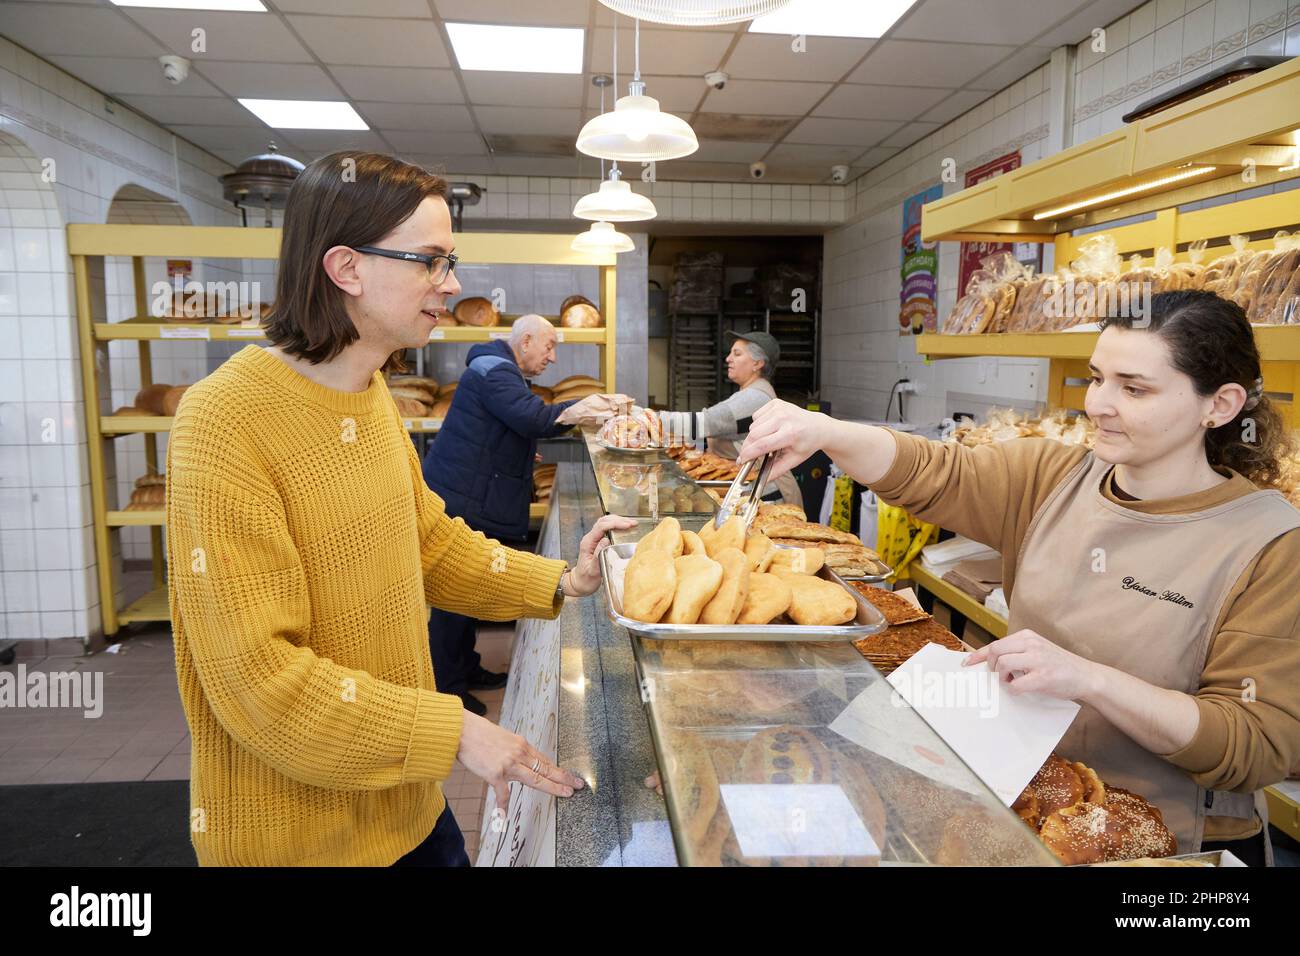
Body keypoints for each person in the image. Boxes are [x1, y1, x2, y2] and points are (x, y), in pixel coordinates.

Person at [166, 151, 634, 866]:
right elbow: (258, 683)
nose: (453, 285)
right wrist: (454, 731)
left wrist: (558, 582)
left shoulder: (369, 393)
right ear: (347, 268)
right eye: (432, 261)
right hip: (300, 841)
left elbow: (430, 546)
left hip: (406, 803)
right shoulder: (225, 421)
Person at [739, 290, 1300, 864]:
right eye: (1097, 378)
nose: (1100, 404)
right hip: (1029, 810)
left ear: (1221, 404)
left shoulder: (1268, 543)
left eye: (1134, 389)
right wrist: (825, 431)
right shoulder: (1053, 476)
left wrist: (1091, 680)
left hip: (1168, 849)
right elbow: (935, 472)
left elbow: (1255, 744)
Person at [422, 313, 627, 714]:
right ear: (527, 340)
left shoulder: (498, 369)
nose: (552, 358)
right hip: (462, 498)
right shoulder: (495, 370)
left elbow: (503, 425)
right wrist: (583, 407)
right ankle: (447, 687)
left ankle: (467, 666)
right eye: (549, 347)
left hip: (470, 492)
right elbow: (531, 416)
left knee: (469, 593)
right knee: (455, 594)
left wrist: (515, 450)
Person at [656, 330, 802, 506]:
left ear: (757, 363)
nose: (728, 359)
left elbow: (705, 423)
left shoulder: (756, 397)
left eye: (737, 354)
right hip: (752, 487)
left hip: (765, 492)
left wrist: (646, 418)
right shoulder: (750, 392)